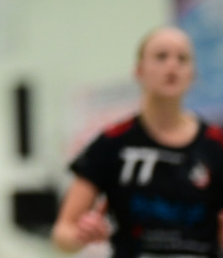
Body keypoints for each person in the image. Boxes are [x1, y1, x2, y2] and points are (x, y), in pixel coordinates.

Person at [51, 25, 223, 257]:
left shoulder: (216, 144)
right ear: (139, 71)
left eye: (182, 59)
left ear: (192, 74)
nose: (172, 66)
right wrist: (81, 234)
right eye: (161, 56)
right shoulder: (113, 142)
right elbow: (63, 232)